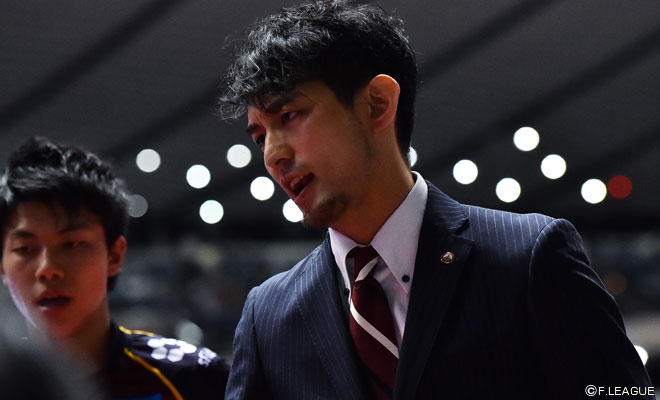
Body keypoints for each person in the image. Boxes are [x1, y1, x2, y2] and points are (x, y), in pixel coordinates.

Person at [218, 1, 652, 399]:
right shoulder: (267, 316)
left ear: (376, 104)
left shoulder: (529, 258)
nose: (273, 155)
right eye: (260, 137)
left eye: (289, 116)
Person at [0, 137, 229, 399]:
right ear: (2, 265)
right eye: (25, 248)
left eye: (72, 244)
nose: (48, 268)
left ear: (114, 256)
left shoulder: (195, 378)